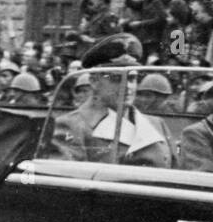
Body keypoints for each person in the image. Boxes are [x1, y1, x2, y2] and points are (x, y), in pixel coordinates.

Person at [49, 35, 173, 167]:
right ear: (94, 81)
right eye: (116, 79)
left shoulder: (157, 124)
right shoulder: (73, 126)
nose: (127, 86)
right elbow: (67, 180)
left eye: (132, 79)